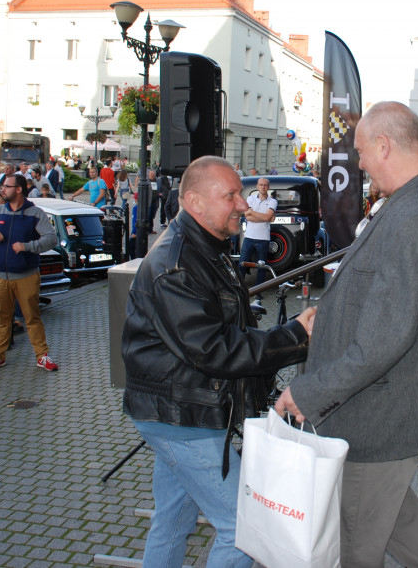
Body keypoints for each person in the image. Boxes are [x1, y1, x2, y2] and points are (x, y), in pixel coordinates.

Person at [275, 101, 418, 568]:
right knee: (400, 525)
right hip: (386, 412)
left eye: (361, 152)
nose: (358, 163)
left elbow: (386, 338)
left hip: (377, 417)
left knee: (357, 546)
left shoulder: (415, 215)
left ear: (384, 145)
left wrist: (309, 392)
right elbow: (392, 300)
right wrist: (338, 310)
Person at [122, 155, 316, 568]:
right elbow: (215, 350)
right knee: (245, 529)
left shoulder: (204, 249)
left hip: (182, 410)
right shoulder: (176, 264)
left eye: (241, 194)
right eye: (230, 195)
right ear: (194, 202)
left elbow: (227, 336)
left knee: (172, 521)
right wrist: (296, 336)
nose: (243, 205)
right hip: (183, 418)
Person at [0, 174, 59, 372]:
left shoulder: (35, 213)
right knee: (2, 318)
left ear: (18, 189)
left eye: (7, 186)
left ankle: (42, 356)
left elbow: (51, 239)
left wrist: (29, 246)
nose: (2, 189)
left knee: (32, 317)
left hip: (26, 275)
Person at [239, 177, 277, 289]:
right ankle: (239, 289)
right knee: (241, 264)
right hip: (249, 237)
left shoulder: (272, 201)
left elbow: (266, 216)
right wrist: (265, 217)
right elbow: (247, 216)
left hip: (263, 238)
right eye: (261, 185)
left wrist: (253, 212)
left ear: (268, 187)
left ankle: (258, 292)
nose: (263, 187)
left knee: (261, 267)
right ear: (257, 186)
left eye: (265, 185)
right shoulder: (250, 199)